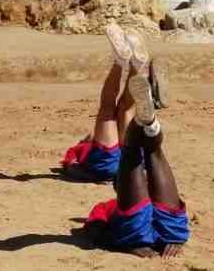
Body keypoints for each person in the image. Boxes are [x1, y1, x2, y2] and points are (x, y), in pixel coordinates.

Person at [81, 39, 189, 258]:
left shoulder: (109, 204)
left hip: (143, 227)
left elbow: (93, 227)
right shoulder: (82, 154)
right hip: (155, 221)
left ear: (118, 187)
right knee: (145, 149)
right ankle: (148, 121)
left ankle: (146, 122)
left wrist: (109, 240)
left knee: (138, 151)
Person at [60, 26, 168, 182]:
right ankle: (126, 64)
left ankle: (132, 65)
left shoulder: (78, 151)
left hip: (123, 162)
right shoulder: (82, 148)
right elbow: (77, 157)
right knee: (112, 108)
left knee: (123, 109)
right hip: (117, 162)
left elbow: (71, 166)